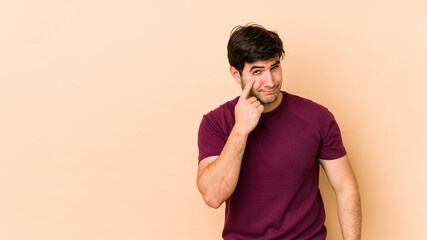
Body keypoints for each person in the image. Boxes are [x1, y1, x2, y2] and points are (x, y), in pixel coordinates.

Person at [196, 23, 361, 240]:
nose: (271, 81)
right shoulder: (216, 122)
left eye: (274, 67)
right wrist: (241, 130)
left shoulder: (318, 118)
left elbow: (345, 188)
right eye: (257, 71)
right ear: (236, 74)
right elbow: (213, 196)